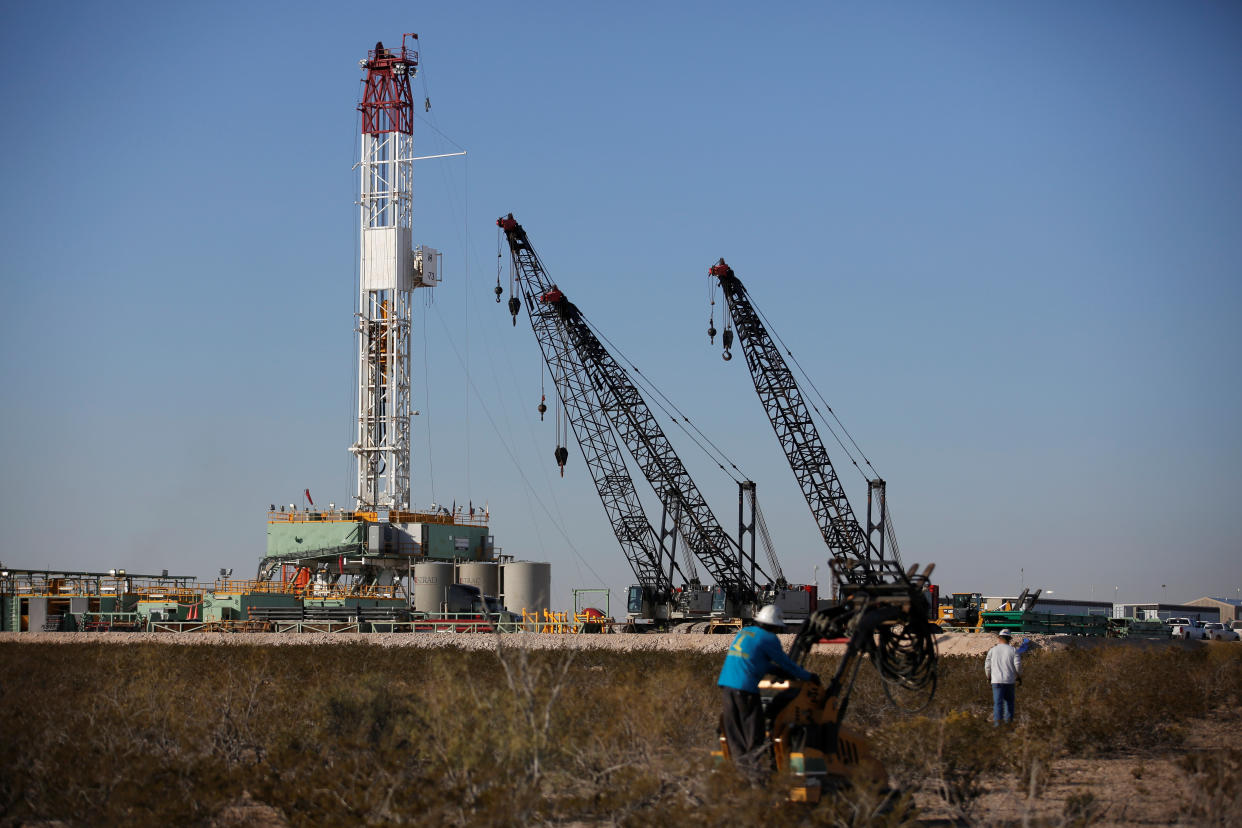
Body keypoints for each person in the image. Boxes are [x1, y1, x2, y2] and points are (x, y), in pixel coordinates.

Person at [717, 604, 816, 778]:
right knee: (754, 736)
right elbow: (786, 663)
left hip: (727, 687)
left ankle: (740, 778)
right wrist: (808, 677)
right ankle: (758, 782)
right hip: (745, 690)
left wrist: (774, 670)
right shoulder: (768, 638)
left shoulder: (744, 633)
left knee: (735, 737)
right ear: (774, 625)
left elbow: (753, 660)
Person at [984, 628, 1022, 725]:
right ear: (1009, 639)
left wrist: (988, 677)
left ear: (999, 638)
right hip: (1009, 680)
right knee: (1009, 703)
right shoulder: (1013, 650)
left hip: (996, 681)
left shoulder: (992, 650)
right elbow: (1017, 666)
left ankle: (998, 725)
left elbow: (987, 666)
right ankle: (1008, 724)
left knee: (998, 703)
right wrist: (1018, 677)